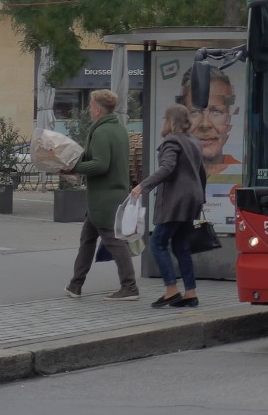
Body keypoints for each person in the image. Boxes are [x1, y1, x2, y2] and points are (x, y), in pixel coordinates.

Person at [64, 89, 140, 301]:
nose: (89, 109)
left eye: (90, 106)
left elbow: (100, 164)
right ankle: (75, 285)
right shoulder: (118, 129)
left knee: (115, 242)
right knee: (87, 240)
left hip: (104, 200)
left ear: (97, 109)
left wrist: (74, 167)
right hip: (108, 197)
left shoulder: (102, 132)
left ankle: (130, 287)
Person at [130, 104, 205, 308]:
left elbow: (167, 167)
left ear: (171, 122)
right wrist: (201, 196)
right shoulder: (193, 141)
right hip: (193, 199)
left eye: (165, 118)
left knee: (157, 243)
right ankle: (190, 292)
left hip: (177, 200)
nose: (163, 122)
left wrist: (142, 185)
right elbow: (201, 172)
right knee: (181, 246)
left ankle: (171, 290)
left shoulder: (171, 141)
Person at [179, 67, 240, 176]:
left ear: (229, 118)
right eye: (195, 111)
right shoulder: (170, 174)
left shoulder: (242, 175)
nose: (205, 124)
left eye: (216, 112)